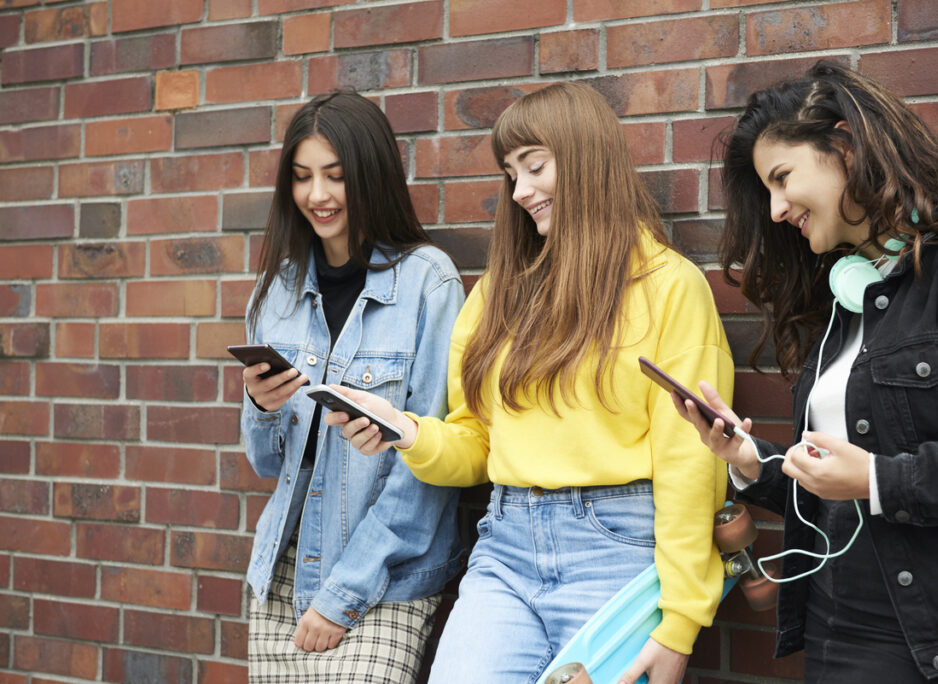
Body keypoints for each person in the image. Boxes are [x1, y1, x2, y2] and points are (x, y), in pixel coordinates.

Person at [324, 81, 735, 684]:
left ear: (587, 158)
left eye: (535, 167)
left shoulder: (670, 287)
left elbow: (690, 464)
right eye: (511, 174)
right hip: (506, 547)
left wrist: (679, 623)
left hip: (616, 550)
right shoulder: (497, 294)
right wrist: (408, 434)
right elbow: (476, 445)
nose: (520, 192)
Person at [673, 61, 938, 682]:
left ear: (843, 144)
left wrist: (884, 480)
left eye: (782, 179)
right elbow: (840, 493)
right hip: (837, 621)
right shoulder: (846, 299)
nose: (777, 209)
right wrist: (754, 461)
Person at [239, 90, 465, 684]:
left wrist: (344, 594)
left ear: (370, 175)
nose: (318, 195)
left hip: (385, 574)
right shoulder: (276, 294)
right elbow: (266, 463)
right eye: (303, 177)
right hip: (283, 570)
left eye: (336, 177)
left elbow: (427, 465)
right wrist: (262, 409)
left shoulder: (429, 283)